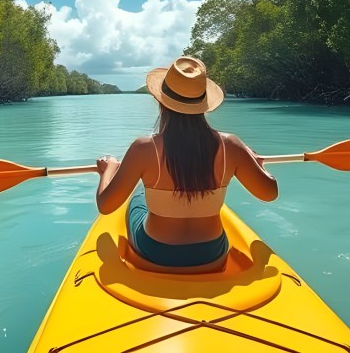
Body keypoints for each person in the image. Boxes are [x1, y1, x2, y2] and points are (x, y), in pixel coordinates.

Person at [94, 56, 278, 271]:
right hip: (211, 253)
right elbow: (269, 193)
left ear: (161, 101)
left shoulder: (143, 147)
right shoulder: (232, 145)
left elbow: (106, 206)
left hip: (156, 251)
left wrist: (108, 171)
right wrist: (258, 165)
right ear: (204, 103)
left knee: (137, 196)